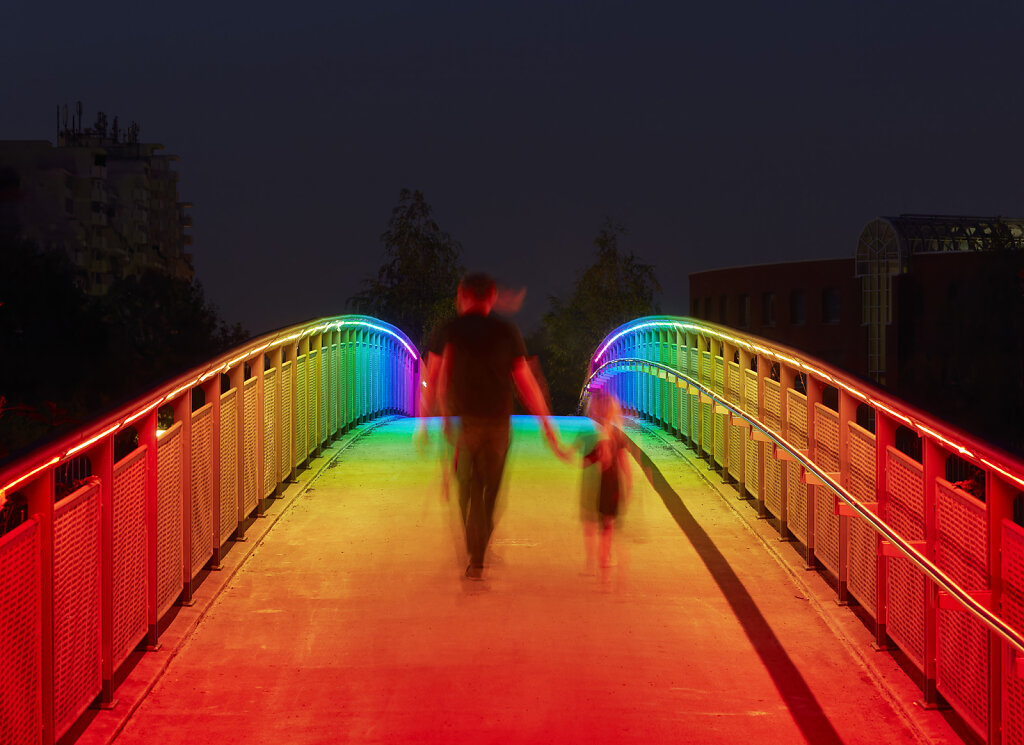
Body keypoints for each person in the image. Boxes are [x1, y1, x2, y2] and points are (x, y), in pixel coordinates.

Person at [417, 272, 561, 580]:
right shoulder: (506, 330)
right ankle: (480, 546)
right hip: (498, 425)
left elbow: (431, 376)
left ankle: (476, 552)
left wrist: (424, 421)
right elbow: (523, 380)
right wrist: (546, 422)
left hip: (463, 425)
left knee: (468, 491)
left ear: (463, 295)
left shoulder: (449, 330)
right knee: (490, 492)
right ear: (491, 297)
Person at [571, 388, 631, 581]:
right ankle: (605, 562)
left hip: (596, 486)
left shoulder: (594, 434)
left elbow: (586, 459)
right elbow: (624, 464)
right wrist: (628, 486)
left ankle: (593, 565)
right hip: (613, 486)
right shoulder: (617, 434)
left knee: (591, 522)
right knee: (608, 525)